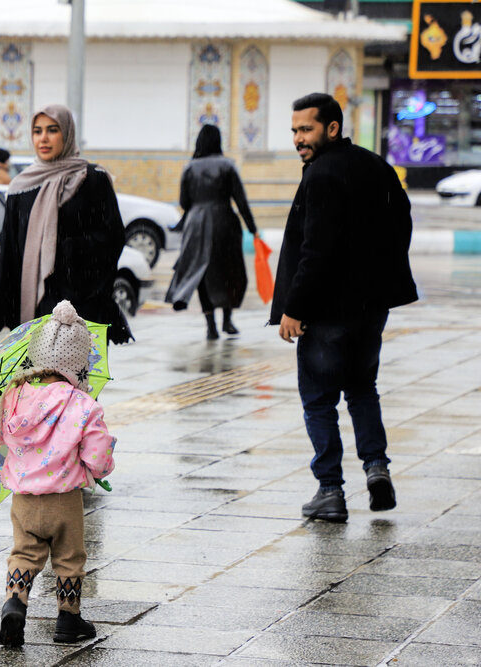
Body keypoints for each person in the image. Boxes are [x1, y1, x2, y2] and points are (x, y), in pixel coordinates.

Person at [271, 93, 417, 522]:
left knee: (319, 399)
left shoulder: (321, 174)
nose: (298, 139)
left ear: (332, 128)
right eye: (295, 131)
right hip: (370, 308)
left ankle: (330, 490)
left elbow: (316, 250)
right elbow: (402, 223)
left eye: (306, 129)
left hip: (327, 311)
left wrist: (295, 308)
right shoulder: (376, 166)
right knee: (361, 388)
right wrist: (378, 279)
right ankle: (376, 468)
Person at [0, 300, 116, 647]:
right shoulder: (83, 405)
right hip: (64, 500)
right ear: (79, 364)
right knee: (69, 558)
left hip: (25, 500)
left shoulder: (14, 397)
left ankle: (14, 605)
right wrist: (100, 466)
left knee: (24, 554)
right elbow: (98, 457)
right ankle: (68, 618)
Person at [0, 104, 132, 346]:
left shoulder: (92, 179)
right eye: (37, 131)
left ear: (67, 133)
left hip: (80, 305)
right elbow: (7, 246)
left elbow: (112, 237)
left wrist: (67, 251)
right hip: (35, 305)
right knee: (36, 370)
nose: (43, 138)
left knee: (75, 371)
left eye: (52, 130)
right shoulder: (22, 187)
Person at [165, 124, 257, 339]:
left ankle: (211, 326)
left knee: (202, 273)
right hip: (224, 222)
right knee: (228, 271)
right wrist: (252, 227)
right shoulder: (228, 165)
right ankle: (227, 320)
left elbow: (184, 202)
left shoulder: (189, 167)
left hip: (195, 224)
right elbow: (240, 200)